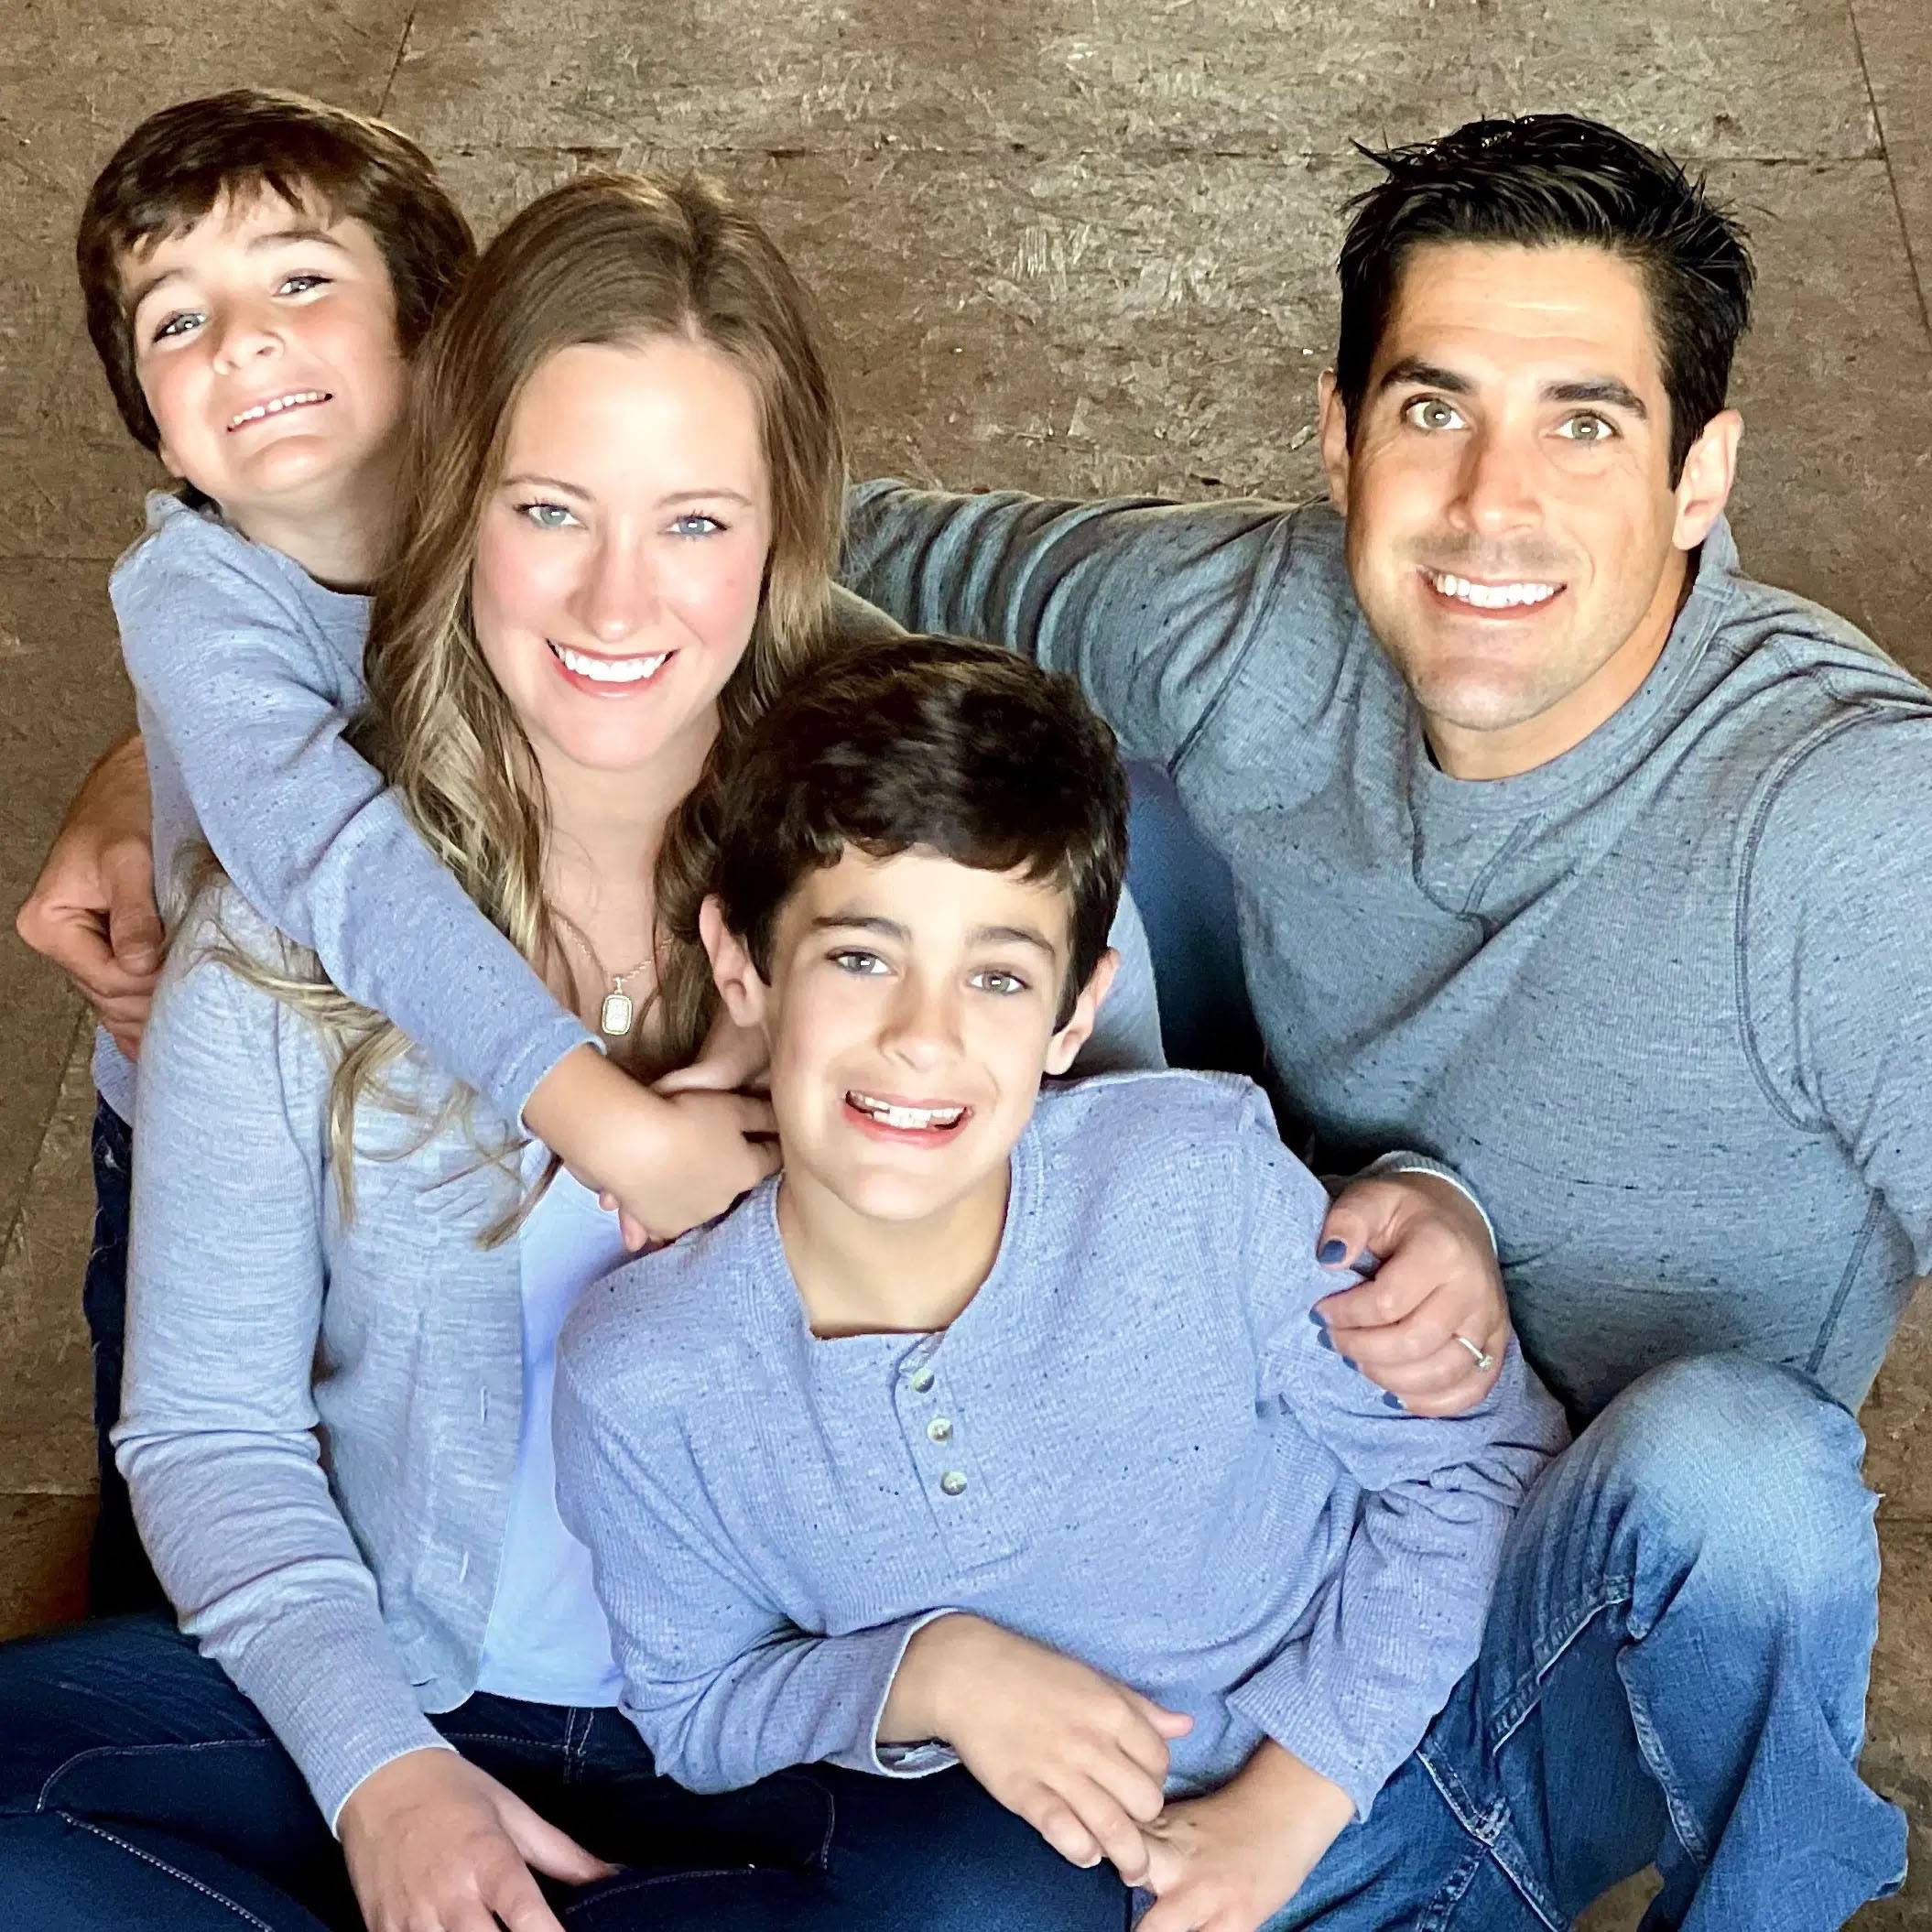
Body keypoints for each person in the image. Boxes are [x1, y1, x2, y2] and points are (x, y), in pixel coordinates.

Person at [0, 170, 1173, 1932]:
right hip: (414, 1683)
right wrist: (385, 1779)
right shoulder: (292, 913)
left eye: (695, 522)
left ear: (783, 533)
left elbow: (1133, 1294)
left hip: (805, 1727)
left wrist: (926, 1647)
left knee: (1021, 1898)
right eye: (551, 508)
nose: (619, 600)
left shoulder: (952, 885)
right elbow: (208, 1431)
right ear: (453, 500)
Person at [839, 113, 1919, 1927]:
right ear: (1342, 435)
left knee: (1739, 1478)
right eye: (1432, 411)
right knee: (1038, 783)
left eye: (1584, 422)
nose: (1492, 506)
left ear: (1697, 471)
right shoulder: (1248, 624)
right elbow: (771, 530)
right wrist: (188, 749)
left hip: (1565, 1633)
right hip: (1255, 1519)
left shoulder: (1844, 830)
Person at [552, 634, 1569, 1932]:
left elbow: (1475, 1464)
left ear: (1076, 1010)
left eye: (995, 977)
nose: (923, 1039)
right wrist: (927, 1672)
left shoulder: (1191, 1178)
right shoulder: (649, 1373)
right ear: (742, 962)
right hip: (1106, 1886)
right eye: (860, 957)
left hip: (1415, 1756)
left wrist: (1290, 1798)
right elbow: (694, 1706)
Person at [45, 89, 774, 1612]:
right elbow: (334, 863)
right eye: (175, 322)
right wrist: (608, 1120)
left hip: (436, 1075)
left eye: (300, 281)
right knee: (190, 1465)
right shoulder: (191, 594)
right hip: (229, 1099)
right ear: (150, 421)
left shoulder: (518, 525)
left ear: (445, 333)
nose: (241, 343)